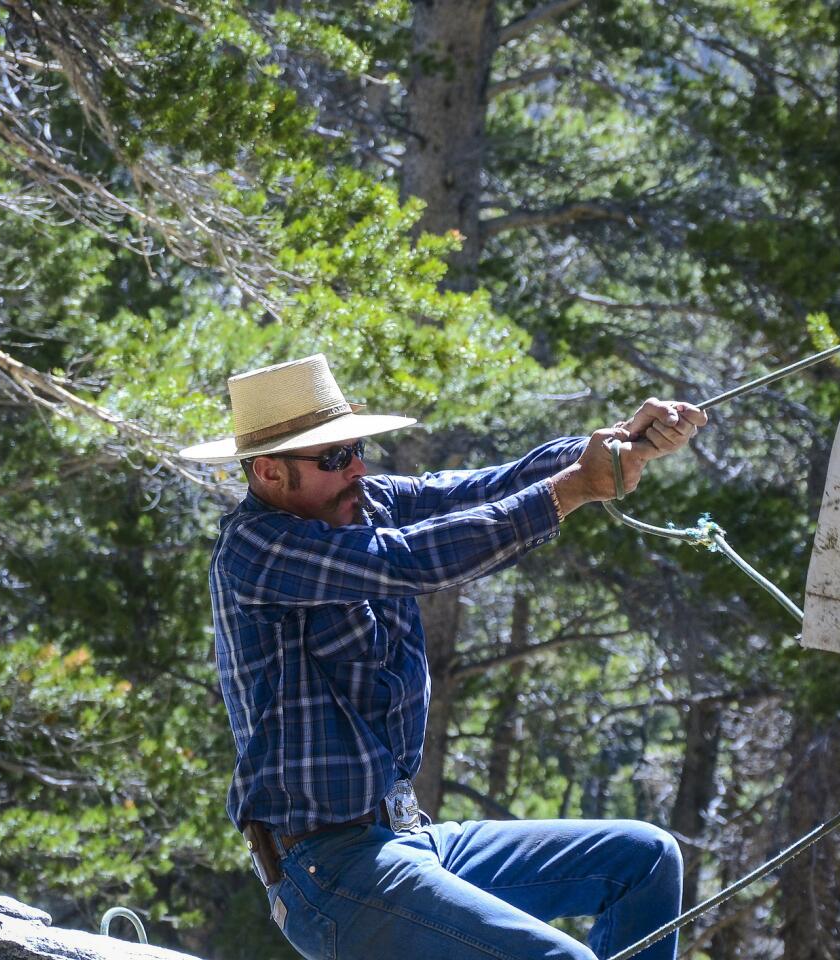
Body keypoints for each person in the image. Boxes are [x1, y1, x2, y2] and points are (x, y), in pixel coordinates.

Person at [179, 354, 708, 960]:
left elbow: (487, 486)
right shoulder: (255, 548)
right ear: (270, 473)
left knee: (644, 859)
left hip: (408, 840)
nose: (357, 469)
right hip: (330, 874)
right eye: (333, 459)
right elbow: (408, 562)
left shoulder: (361, 501)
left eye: (355, 449)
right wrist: (578, 487)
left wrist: (614, 444)